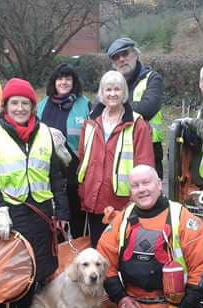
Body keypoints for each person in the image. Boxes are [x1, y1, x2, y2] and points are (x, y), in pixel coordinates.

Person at [0, 78, 69, 308]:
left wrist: (61, 210)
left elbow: (56, 177)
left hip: (40, 211)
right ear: (6, 105)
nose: (19, 108)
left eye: (25, 103)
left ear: (32, 106)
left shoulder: (46, 134)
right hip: (10, 212)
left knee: (36, 270)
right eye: (14, 103)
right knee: (10, 273)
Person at [97, 165, 203, 308]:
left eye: (146, 183)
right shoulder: (121, 220)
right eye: (135, 185)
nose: (141, 189)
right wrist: (120, 299)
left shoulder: (183, 219)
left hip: (172, 307)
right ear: (130, 191)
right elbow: (104, 260)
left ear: (159, 184)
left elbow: (202, 269)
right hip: (134, 305)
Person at [77, 70, 154, 247]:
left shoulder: (137, 124)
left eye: (117, 89)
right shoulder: (90, 121)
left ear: (124, 93)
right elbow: (83, 158)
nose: (112, 94)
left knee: (122, 250)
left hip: (122, 202)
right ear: (101, 93)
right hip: (94, 201)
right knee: (98, 249)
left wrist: (136, 199)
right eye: (108, 89)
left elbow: (145, 163)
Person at [37, 63, 90, 238]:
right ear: (54, 82)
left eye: (68, 78)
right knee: (54, 228)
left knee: (78, 224)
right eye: (60, 78)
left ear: (74, 82)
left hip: (76, 175)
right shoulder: (42, 105)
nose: (64, 82)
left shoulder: (85, 105)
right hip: (48, 176)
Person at [107, 37, 165, 179]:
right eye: (116, 57)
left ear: (136, 54)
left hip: (148, 148)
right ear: (113, 63)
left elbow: (148, 108)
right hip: (117, 148)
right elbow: (96, 109)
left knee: (148, 195)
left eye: (125, 54)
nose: (121, 59)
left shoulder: (152, 78)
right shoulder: (111, 81)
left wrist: (113, 107)